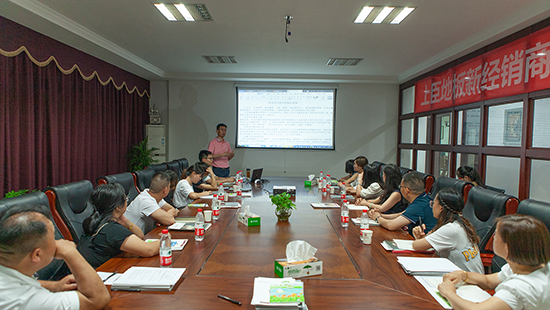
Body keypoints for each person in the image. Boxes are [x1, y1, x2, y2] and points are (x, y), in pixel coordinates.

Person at [0, 205, 111, 310]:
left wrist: (55, 286)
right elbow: (97, 299)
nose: (59, 242)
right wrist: (70, 252)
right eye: (53, 237)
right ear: (37, 255)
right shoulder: (27, 300)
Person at [438, 214, 550, 310]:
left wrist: (449, 292)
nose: (493, 237)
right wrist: (464, 275)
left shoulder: (520, 287)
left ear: (508, 247)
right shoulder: (525, 265)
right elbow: (488, 281)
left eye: (496, 234)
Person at [77, 184, 159, 269]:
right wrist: (166, 239)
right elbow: (149, 250)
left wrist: (126, 222)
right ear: (118, 207)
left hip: (88, 273)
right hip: (100, 274)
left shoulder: (94, 221)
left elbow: (140, 236)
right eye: (126, 199)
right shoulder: (112, 229)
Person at [412, 188, 483, 273]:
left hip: (468, 283)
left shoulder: (451, 229)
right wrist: (422, 237)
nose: (432, 206)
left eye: (433, 203)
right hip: (470, 277)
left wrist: (419, 239)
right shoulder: (460, 222)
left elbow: (416, 246)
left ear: (441, 209)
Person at [369, 171, 436, 235]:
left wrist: (377, 218)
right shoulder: (424, 199)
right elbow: (401, 215)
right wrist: (380, 215)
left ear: (407, 191)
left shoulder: (418, 206)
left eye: (401, 187)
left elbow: (391, 225)